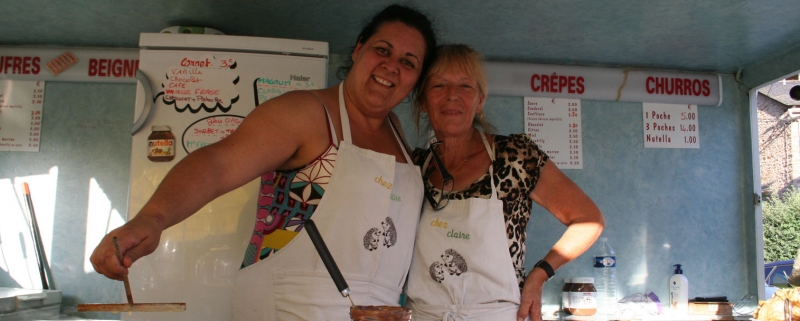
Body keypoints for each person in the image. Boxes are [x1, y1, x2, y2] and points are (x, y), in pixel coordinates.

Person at [89, 4, 437, 320]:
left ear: (415, 80)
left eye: (408, 62)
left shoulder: (397, 133)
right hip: (293, 308)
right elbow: (218, 164)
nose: (391, 66)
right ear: (359, 49)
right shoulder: (306, 113)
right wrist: (152, 218)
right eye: (382, 50)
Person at [404, 44, 605, 321]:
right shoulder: (413, 166)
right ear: (423, 102)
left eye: (465, 86)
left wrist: (539, 275)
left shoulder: (516, 156)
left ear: (480, 100)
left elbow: (588, 219)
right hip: (423, 315)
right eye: (439, 85)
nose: (452, 96)